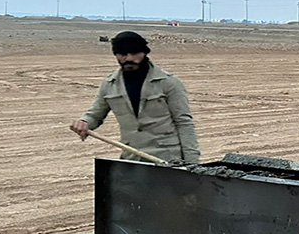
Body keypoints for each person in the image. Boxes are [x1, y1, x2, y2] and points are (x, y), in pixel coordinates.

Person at [69, 31, 201, 163]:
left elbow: (184, 123)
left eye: (134, 53)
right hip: (131, 159)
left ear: (144, 53)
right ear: (116, 55)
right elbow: (95, 115)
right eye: (123, 54)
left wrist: (192, 163)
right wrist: (84, 122)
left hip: (167, 160)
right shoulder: (110, 85)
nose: (129, 58)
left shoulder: (168, 82)